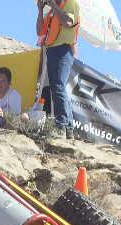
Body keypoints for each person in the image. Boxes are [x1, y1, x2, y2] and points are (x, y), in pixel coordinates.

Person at [37, 0, 80, 139]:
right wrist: (40, 10)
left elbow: (68, 22)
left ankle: (61, 124)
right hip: (52, 50)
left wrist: (53, 5)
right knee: (57, 87)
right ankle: (69, 127)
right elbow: (39, 31)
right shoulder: (51, 11)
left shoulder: (70, 3)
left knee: (58, 85)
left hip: (64, 49)